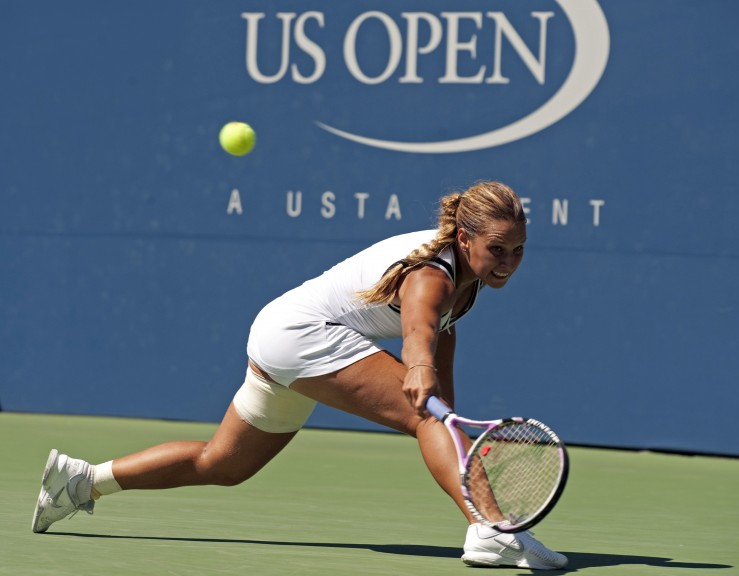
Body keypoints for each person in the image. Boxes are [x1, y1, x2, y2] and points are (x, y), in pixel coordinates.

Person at [31, 181, 567, 570]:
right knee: (426, 421)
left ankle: (79, 481)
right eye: (497, 249)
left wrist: (444, 405)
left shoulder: (465, 274)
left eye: (518, 250)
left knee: (223, 463)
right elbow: (422, 328)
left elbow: (443, 331)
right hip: (302, 336)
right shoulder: (432, 274)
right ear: (466, 237)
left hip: (281, 335)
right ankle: (492, 530)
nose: (508, 261)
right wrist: (423, 377)